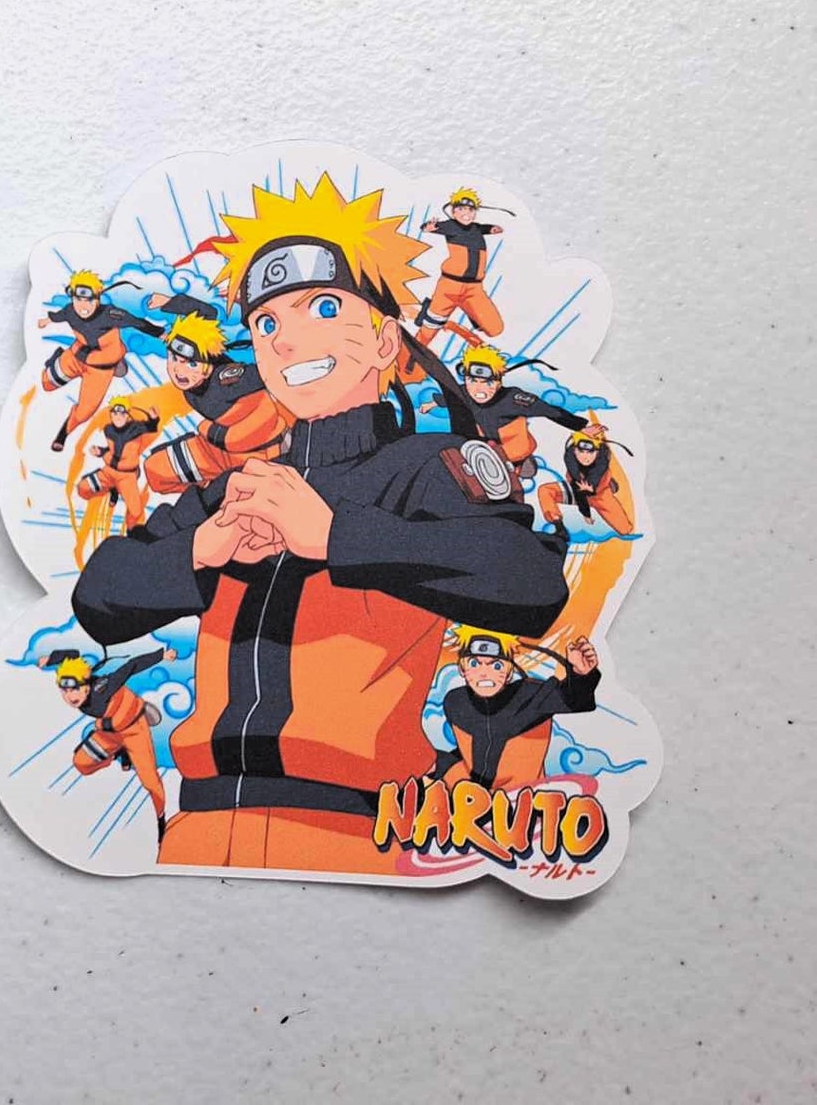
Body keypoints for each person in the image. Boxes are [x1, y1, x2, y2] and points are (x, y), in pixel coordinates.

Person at [70, 173, 570, 876]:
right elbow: (99, 597)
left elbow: (532, 585)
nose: (287, 340)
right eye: (266, 324)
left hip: (359, 836)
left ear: (386, 340)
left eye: (324, 307)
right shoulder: (236, 487)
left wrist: (336, 537)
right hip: (197, 831)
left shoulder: (430, 465)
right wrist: (202, 549)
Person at [140, 310, 288, 497]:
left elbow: (267, 374)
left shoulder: (228, 379)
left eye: (191, 364)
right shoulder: (192, 384)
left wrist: (208, 430)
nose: (179, 371)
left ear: (209, 364)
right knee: (154, 470)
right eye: (174, 359)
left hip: (262, 455)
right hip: (215, 451)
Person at [432, 632, 601, 790]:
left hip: (520, 797)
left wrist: (581, 674)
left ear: (509, 672)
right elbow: (468, 752)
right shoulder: (456, 702)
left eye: (496, 665)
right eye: (474, 664)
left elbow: (572, 699)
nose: (484, 673)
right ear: (462, 669)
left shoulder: (530, 695)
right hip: (469, 796)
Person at [41, 647, 170, 841]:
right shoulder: (74, 684)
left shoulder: (104, 687)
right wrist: (51, 659)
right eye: (64, 691)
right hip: (110, 734)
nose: (70, 697)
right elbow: (73, 654)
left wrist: (161, 655)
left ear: (86, 686)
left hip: (133, 728)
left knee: (150, 782)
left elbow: (131, 666)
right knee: (81, 763)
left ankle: (161, 820)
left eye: (75, 690)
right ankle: (119, 752)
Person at [37, 273, 166, 452]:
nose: (83, 306)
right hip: (76, 356)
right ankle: (57, 357)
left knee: (85, 412)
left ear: (97, 299)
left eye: (89, 300)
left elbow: (137, 322)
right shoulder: (70, 311)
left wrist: (160, 333)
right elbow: (59, 315)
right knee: (47, 384)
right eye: (78, 300)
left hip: (100, 370)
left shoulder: (111, 314)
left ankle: (62, 435)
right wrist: (46, 320)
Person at [421, 345, 591, 479]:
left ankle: (520, 463)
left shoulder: (513, 398)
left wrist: (580, 427)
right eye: (473, 381)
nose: (479, 389)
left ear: (499, 382)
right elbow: (452, 397)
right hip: (483, 445)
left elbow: (548, 410)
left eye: (488, 382)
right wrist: (432, 404)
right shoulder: (464, 392)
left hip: (514, 448)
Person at [414, 188, 506, 349]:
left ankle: (472, 313)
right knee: (429, 330)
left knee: (495, 329)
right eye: (461, 209)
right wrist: (428, 227)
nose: (466, 213)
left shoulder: (476, 228)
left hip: (474, 290)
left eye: (470, 210)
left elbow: (483, 228)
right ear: (453, 211)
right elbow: (430, 227)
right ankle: (413, 353)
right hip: (449, 288)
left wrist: (492, 229)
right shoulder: (450, 226)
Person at [537, 423, 636, 538]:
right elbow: (577, 488)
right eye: (581, 451)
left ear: (597, 452)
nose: (585, 456)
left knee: (625, 529)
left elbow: (597, 472)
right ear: (575, 450)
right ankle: (558, 525)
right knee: (545, 490)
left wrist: (591, 487)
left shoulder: (602, 461)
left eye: (590, 452)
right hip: (576, 491)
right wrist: (586, 513)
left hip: (600, 495)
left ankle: (609, 484)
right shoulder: (570, 456)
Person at [79, 398, 161, 531]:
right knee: (83, 488)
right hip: (109, 472)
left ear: (127, 416)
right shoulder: (108, 430)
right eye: (115, 413)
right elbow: (113, 450)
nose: (118, 417)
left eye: (122, 414)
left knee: (136, 511)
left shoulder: (135, 428)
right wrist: (100, 451)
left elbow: (151, 427)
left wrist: (153, 419)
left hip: (127, 477)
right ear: (111, 415)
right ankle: (112, 489)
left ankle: (132, 534)